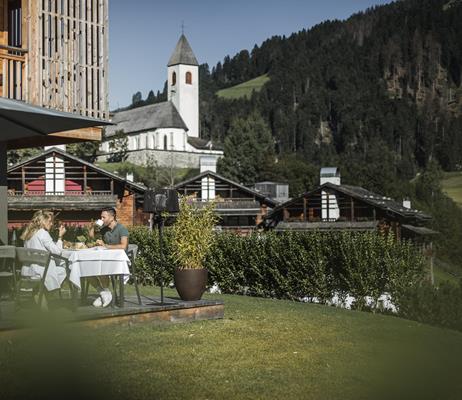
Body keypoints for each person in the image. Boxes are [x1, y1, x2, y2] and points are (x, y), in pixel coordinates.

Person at [20, 210, 67, 299]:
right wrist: (60, 236)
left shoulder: (28, 233)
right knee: (66, 269)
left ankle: (40, 293)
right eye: (50, 221)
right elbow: (57, 252)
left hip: (28, 270)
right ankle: (46, 293)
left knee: (59, 267)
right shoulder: (42, 233)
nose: (52, 224)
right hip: (41, 271)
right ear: (42, 221)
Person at [88, 207, 129, 307]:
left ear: (112, 217)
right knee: (87, 269)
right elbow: (92, 237)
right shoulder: (104, 229)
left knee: (102, 268)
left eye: (103, 217)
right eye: (100, 217)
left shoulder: (122, 229)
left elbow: (124, 246)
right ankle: (104, 293)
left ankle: (105, 294)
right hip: (105, 258)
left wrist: (106, 246)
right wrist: (92, 227)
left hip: (119, 261)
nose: (101, 219)